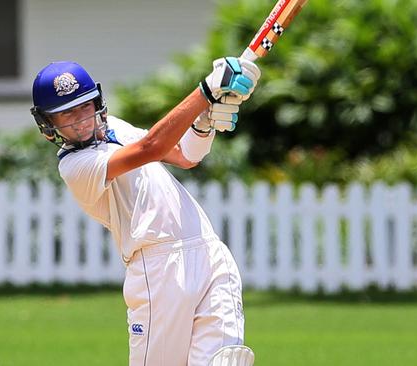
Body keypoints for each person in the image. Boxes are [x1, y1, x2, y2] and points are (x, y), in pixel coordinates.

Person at [30, 57, 260, 366]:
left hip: (209, 252)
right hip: (158, 271)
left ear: (97, 102)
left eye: (84, 107)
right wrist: (206, 90)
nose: (80, 120)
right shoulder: (74, 167)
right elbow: (150, 147)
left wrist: (204, 125)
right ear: (48, 125)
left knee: (225, 360)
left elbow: (184, 155)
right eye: (66, 114)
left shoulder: (116, 128)